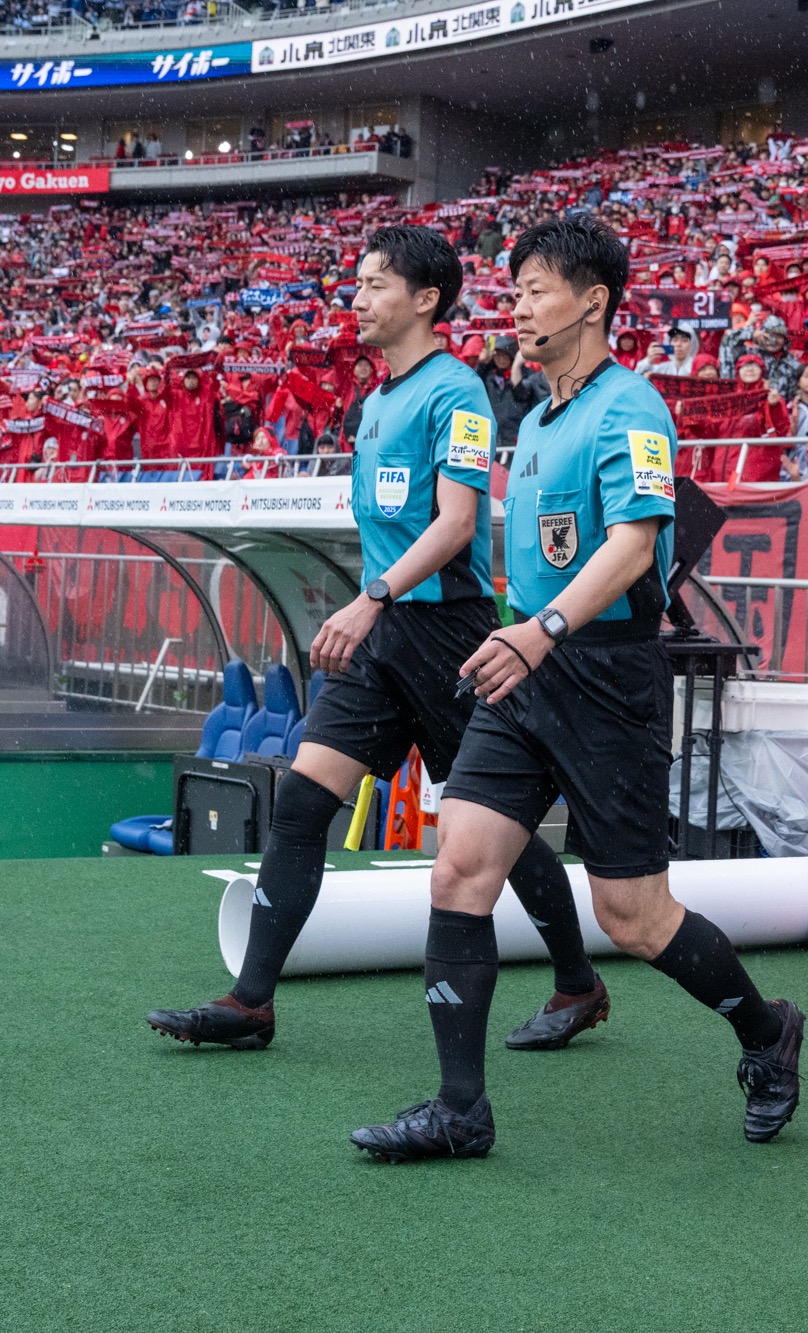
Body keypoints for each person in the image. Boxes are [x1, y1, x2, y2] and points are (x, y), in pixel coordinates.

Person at [349, 216, 804, 1162]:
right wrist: (528, 638)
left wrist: (542, 628)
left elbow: (636, 544)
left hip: (605, 676)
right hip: (528, 674)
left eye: (535, 291)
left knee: (632, 917)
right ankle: (459, 1110)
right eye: (512, 292)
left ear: (593, 302)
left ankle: (767, 1031)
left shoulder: (631, 408)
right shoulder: (542, 415)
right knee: (459, 870)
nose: (516, 307)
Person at [144, 225, 605, 1057]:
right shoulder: (377, 400)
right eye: (355, 283)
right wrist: (372, 605)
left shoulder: (456, 393)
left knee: (491, 827)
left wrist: (372, 598)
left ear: (426, 300)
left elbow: (457, 524)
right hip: (385, 632)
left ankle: (578, 982)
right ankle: (252, 1002)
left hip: (449, 635)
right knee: (303, 802)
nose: (356, 298)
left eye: (374, 284)